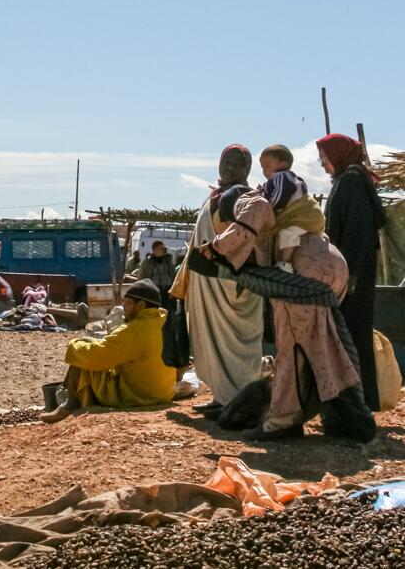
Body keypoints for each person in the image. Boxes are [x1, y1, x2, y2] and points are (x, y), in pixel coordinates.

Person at [191, 187, 375, 442]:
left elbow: (243, 238)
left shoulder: (250, 206)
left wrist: (215, 251)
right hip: (331, 268)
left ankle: (282, 423)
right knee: (326, 349)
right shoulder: (279, 210)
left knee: (293, 352)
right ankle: (346, 421)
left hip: (303, 275)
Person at [186, 145, 266, 416]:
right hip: (210, 284)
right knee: (212, 342)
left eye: (237, 164)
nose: (230, 168)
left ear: (247, 169)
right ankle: (222, 396)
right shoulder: (215, 196)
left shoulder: (244, 197)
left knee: (238, 344)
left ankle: (240, 401)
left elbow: (247, 239)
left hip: (232, 286)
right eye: (226, 162)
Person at [41, 279, 176, 424]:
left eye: (128, 303)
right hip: (164, 393)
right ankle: (69, 401)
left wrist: (74, 344)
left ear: (141, 305)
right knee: (88, 347)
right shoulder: (165, 323)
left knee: (82, 353)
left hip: (137, 396)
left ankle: (70, 404)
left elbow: (98, 356)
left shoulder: (134, 330)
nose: (123, 307)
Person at [317, 133, 386, 412]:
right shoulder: (351, 179)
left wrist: (350, 276)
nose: (323, 165)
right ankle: (358, 400)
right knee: (353, 335)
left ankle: (357, 402)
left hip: (352, 276)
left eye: (325, 159)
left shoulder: (352, 181)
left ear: (338, 156)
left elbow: (358, 233)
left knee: (352, 336)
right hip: (351, 274)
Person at [259, 145, 325, 272]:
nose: (264, 171)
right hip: (299, 215)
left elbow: (279, 196)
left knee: (288, 233)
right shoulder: (292, 178)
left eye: (267, 166)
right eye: (262, 167)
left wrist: (267, 208)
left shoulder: (281, 177)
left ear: (283, 164)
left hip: (299, 217)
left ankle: (284, 263)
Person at [136, 241, 176, 308]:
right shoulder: (146, 263)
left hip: (167, 290)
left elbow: (173, 275)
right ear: (154, 250)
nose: (163, 250)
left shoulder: (168, 261)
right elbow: (141, 278)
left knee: (167, 311)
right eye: (161, 249)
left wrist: (173, 290)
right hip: (153, 290)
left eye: (163, 248)